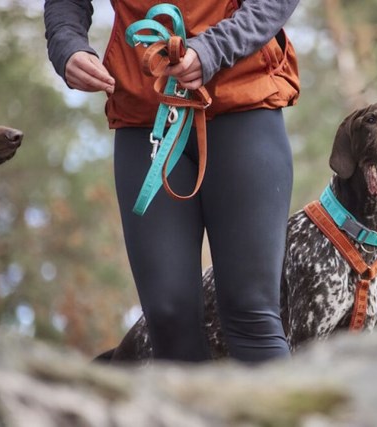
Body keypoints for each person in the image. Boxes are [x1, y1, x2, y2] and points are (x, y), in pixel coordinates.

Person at [44, 0, 300, 363]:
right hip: (144, 117)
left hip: (243, 105)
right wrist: (67, 46)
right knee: (166, 315)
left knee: (251, 312)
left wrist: (212, 48)